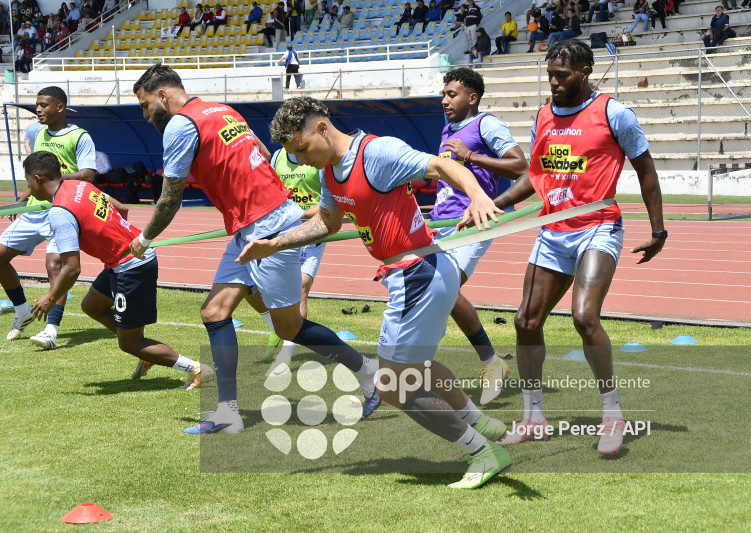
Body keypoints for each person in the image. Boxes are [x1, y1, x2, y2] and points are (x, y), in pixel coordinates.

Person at [239, 96, 511, 490]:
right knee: (417, 369)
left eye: (300, 150)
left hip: (418, 271)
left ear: (321, 128)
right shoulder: (331, 172)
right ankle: (479, 421)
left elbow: (440, 165)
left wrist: (480, 195)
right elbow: (327, 225)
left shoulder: (377, 153)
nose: (299, 161)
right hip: (418, 273)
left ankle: (482, 451)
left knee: (393, 385)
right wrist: (276, 243)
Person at [130, 64, 380, 434]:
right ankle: (229, 412)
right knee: (215, 312)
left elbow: (170, 199)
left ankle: (368, 372)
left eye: (146, 105)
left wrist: (145, 238)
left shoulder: (182, 125)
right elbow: (262, 150)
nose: (146, 114)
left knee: (290, 328)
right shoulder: (222, 110)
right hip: (251, 225)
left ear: (163, 96)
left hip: (265, 227)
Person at [473, 40, 666, 454]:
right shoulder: (543, 115)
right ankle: (533, 418)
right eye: (550, 75)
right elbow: (535, 176)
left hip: (598, 227)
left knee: (584, 317)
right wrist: (494, 205)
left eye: (562, 75)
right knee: (525, 321)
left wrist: (658, 230)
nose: (554, 83)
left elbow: (646, 170)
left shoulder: (614, 113)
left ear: (585, 71)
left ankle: (613, 415)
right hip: (553, 232)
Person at [22, 151, 215, 389]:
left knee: (129, 343)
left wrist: (51, 298)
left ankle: (197, 369)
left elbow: (71, 268)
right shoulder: (78, 185)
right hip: (124, 258)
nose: (28, 187)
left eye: (28, 181)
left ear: (38, 178)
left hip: (130, 265)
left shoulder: (60, 213)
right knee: (91, 306)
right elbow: (121, 209)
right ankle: (148, 354)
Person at [436, 67, 527, 404]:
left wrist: (471, 155)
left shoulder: (486, 124)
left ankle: (490, 362)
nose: (444, 100)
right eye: (444, 94)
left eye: (452, 94)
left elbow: (520, 166)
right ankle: (489, 363)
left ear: (472, 98)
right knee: (435, 290)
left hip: (472, 222)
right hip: (441, 221)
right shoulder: (448, 129)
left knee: (442, 288)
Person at [1, 86, 97, 349]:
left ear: (60, 107)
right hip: (34, 209)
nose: (38, 110)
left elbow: (88, 175)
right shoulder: (39, 133)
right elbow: (36, 175)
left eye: (43, 105)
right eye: (37, 105)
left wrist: (55, 179)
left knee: (56, 265)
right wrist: (21, 200)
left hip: (61, 211)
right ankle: (21, 311)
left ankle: (51, 330)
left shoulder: (80, 136)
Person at [255, 145, 327, 371]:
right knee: (267, 290)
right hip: (282, 231)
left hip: (311, 231)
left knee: (301, 289)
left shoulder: (318, 158)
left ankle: (285, 356)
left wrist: (303, 215)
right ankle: (276, 329)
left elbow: (329, 200)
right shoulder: (277, 157)